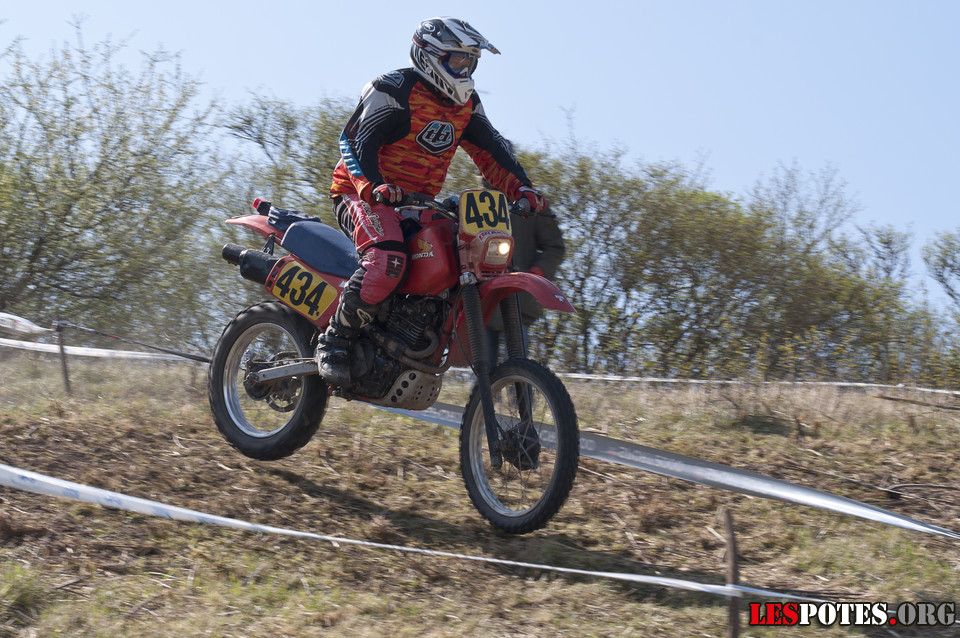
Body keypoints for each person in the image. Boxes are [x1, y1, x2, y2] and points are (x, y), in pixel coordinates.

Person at [317, 17, 548, 386]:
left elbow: (491, 151)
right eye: (458, 61)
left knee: (458, 256)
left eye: (471, 63)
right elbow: (356, 142)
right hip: (361, 193)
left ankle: (410, 335)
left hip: (418, 202)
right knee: (387, 258)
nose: (466, 70)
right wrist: (374, 187)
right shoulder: (392, 89)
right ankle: (335, 342)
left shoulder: (466, 104)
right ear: (430, 56)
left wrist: (522, 188)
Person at [481, 173, 565, 366]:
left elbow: (555, 247)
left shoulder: (531, 201)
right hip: (481, 302)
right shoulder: (474, 201)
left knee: (519, 372)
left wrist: (536, 274)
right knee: (481, 374)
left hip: (518, 300)